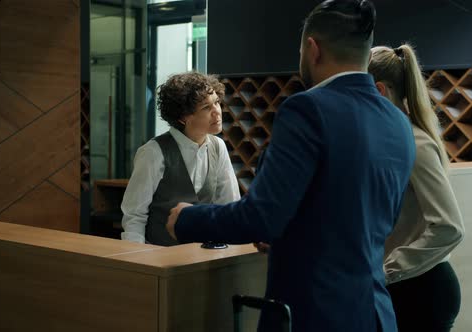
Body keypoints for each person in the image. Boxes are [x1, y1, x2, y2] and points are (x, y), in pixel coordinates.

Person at [165, 1, 415, 331]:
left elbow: (260, 217)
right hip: (376, 315)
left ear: (312, 49)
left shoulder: (307, 109)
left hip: (315, 315)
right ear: (367, 56)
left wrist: (186, 219)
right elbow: (363, 217)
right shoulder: (398, 122)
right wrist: (292, 234)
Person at [368, 44, 465, 331]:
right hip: (401, 289)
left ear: (380, 90)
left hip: (423, 292)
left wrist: (386, 271)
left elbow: (450, 227)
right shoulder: (383, 142)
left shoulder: (416, 144)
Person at [120, 72, 240, 246]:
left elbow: (229, 204)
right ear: (183, 117)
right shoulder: (153, 152)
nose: (217, 112)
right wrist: (137, 260)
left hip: (204, 255)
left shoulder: (218, 146)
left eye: (217, 102)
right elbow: (134, 216)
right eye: (206, 108)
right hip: (160, 258)